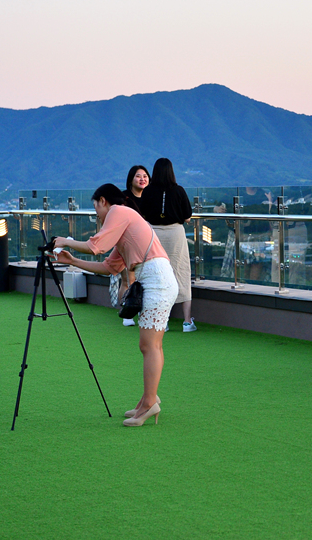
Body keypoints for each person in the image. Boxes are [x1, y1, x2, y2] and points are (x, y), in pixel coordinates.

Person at [51, 184, 177, 427]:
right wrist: (73, 261)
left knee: (149, 345)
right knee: (152, 345)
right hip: (156, 278)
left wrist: (65, 241)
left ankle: (149, 403)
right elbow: (109, 267)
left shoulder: (118, 211)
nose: (97, 215)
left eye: (96, 208)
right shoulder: (125, 221)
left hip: (156, 279)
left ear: (103, 201)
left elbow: (96, 246)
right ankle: (147, 399)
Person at [140, 158, 195, 332]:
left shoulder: (148, 191)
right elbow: (187, 216)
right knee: (181, 272)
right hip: (175, 233)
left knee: (156, 274)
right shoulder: (178, 190)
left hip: (153, 234)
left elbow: (142, 214)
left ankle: (162, 320)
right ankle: (187, 321)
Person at [117, 165, 150, 326]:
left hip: (147, 243)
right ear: (131, 179)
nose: (142, 179)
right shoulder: (123, 198)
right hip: (127, 242)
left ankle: (142, 311)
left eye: (145, 176)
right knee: (127, 279)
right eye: (138, 176)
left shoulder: (151, 197)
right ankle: (126, 314)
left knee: (144, 280)